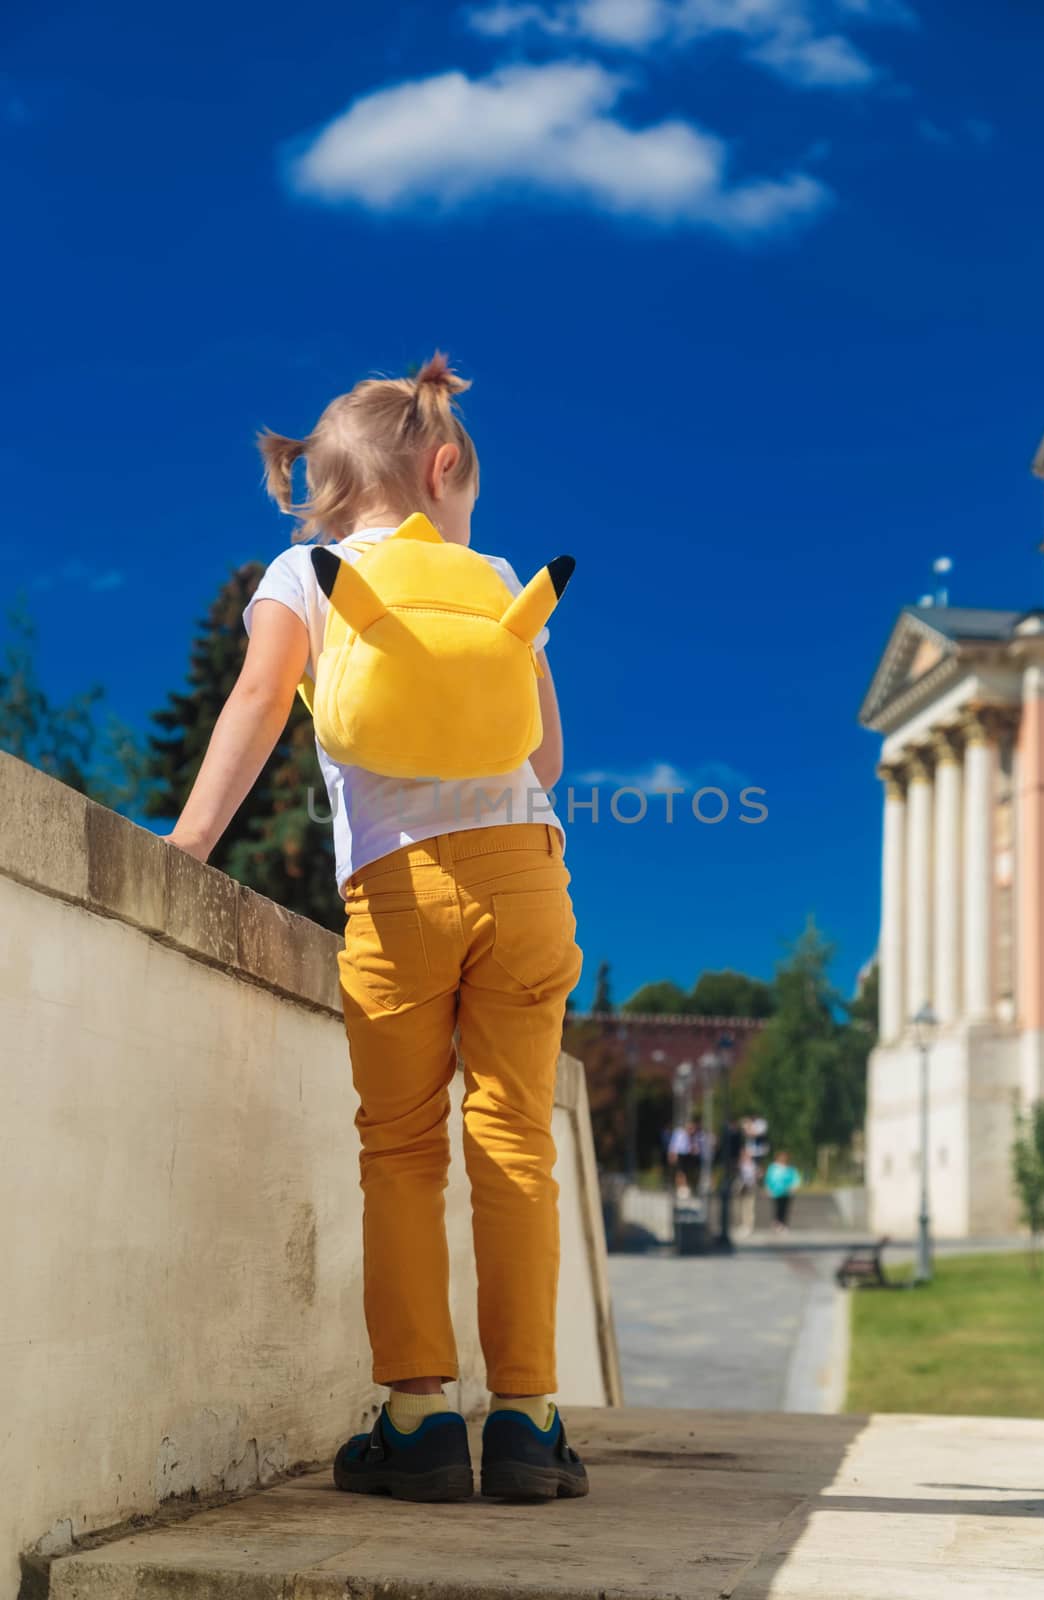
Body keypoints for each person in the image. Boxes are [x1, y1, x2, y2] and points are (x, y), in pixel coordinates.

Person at [164, 354, 588, 1504]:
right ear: (442, 465)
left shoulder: (302, 573)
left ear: (324, 481)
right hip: (525, 874)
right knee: (515, 1146)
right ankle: (528, 1422)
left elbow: (254, 704)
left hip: (397, 890)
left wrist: (186, 848)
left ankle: (416, 1421)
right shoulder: (497, 575)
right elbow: (544, 761)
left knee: (400, 1149)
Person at [764, 1150, 802, 1234]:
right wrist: (768, 1188)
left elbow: (796, 1179)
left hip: (787, 1192)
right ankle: (777, 1223)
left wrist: (794, 1186)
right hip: (776, 1192)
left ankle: (784, 1224)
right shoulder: (773, 1167)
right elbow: (768, 1178)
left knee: (785, 1209)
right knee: (778, 1208)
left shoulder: (790, 1168)